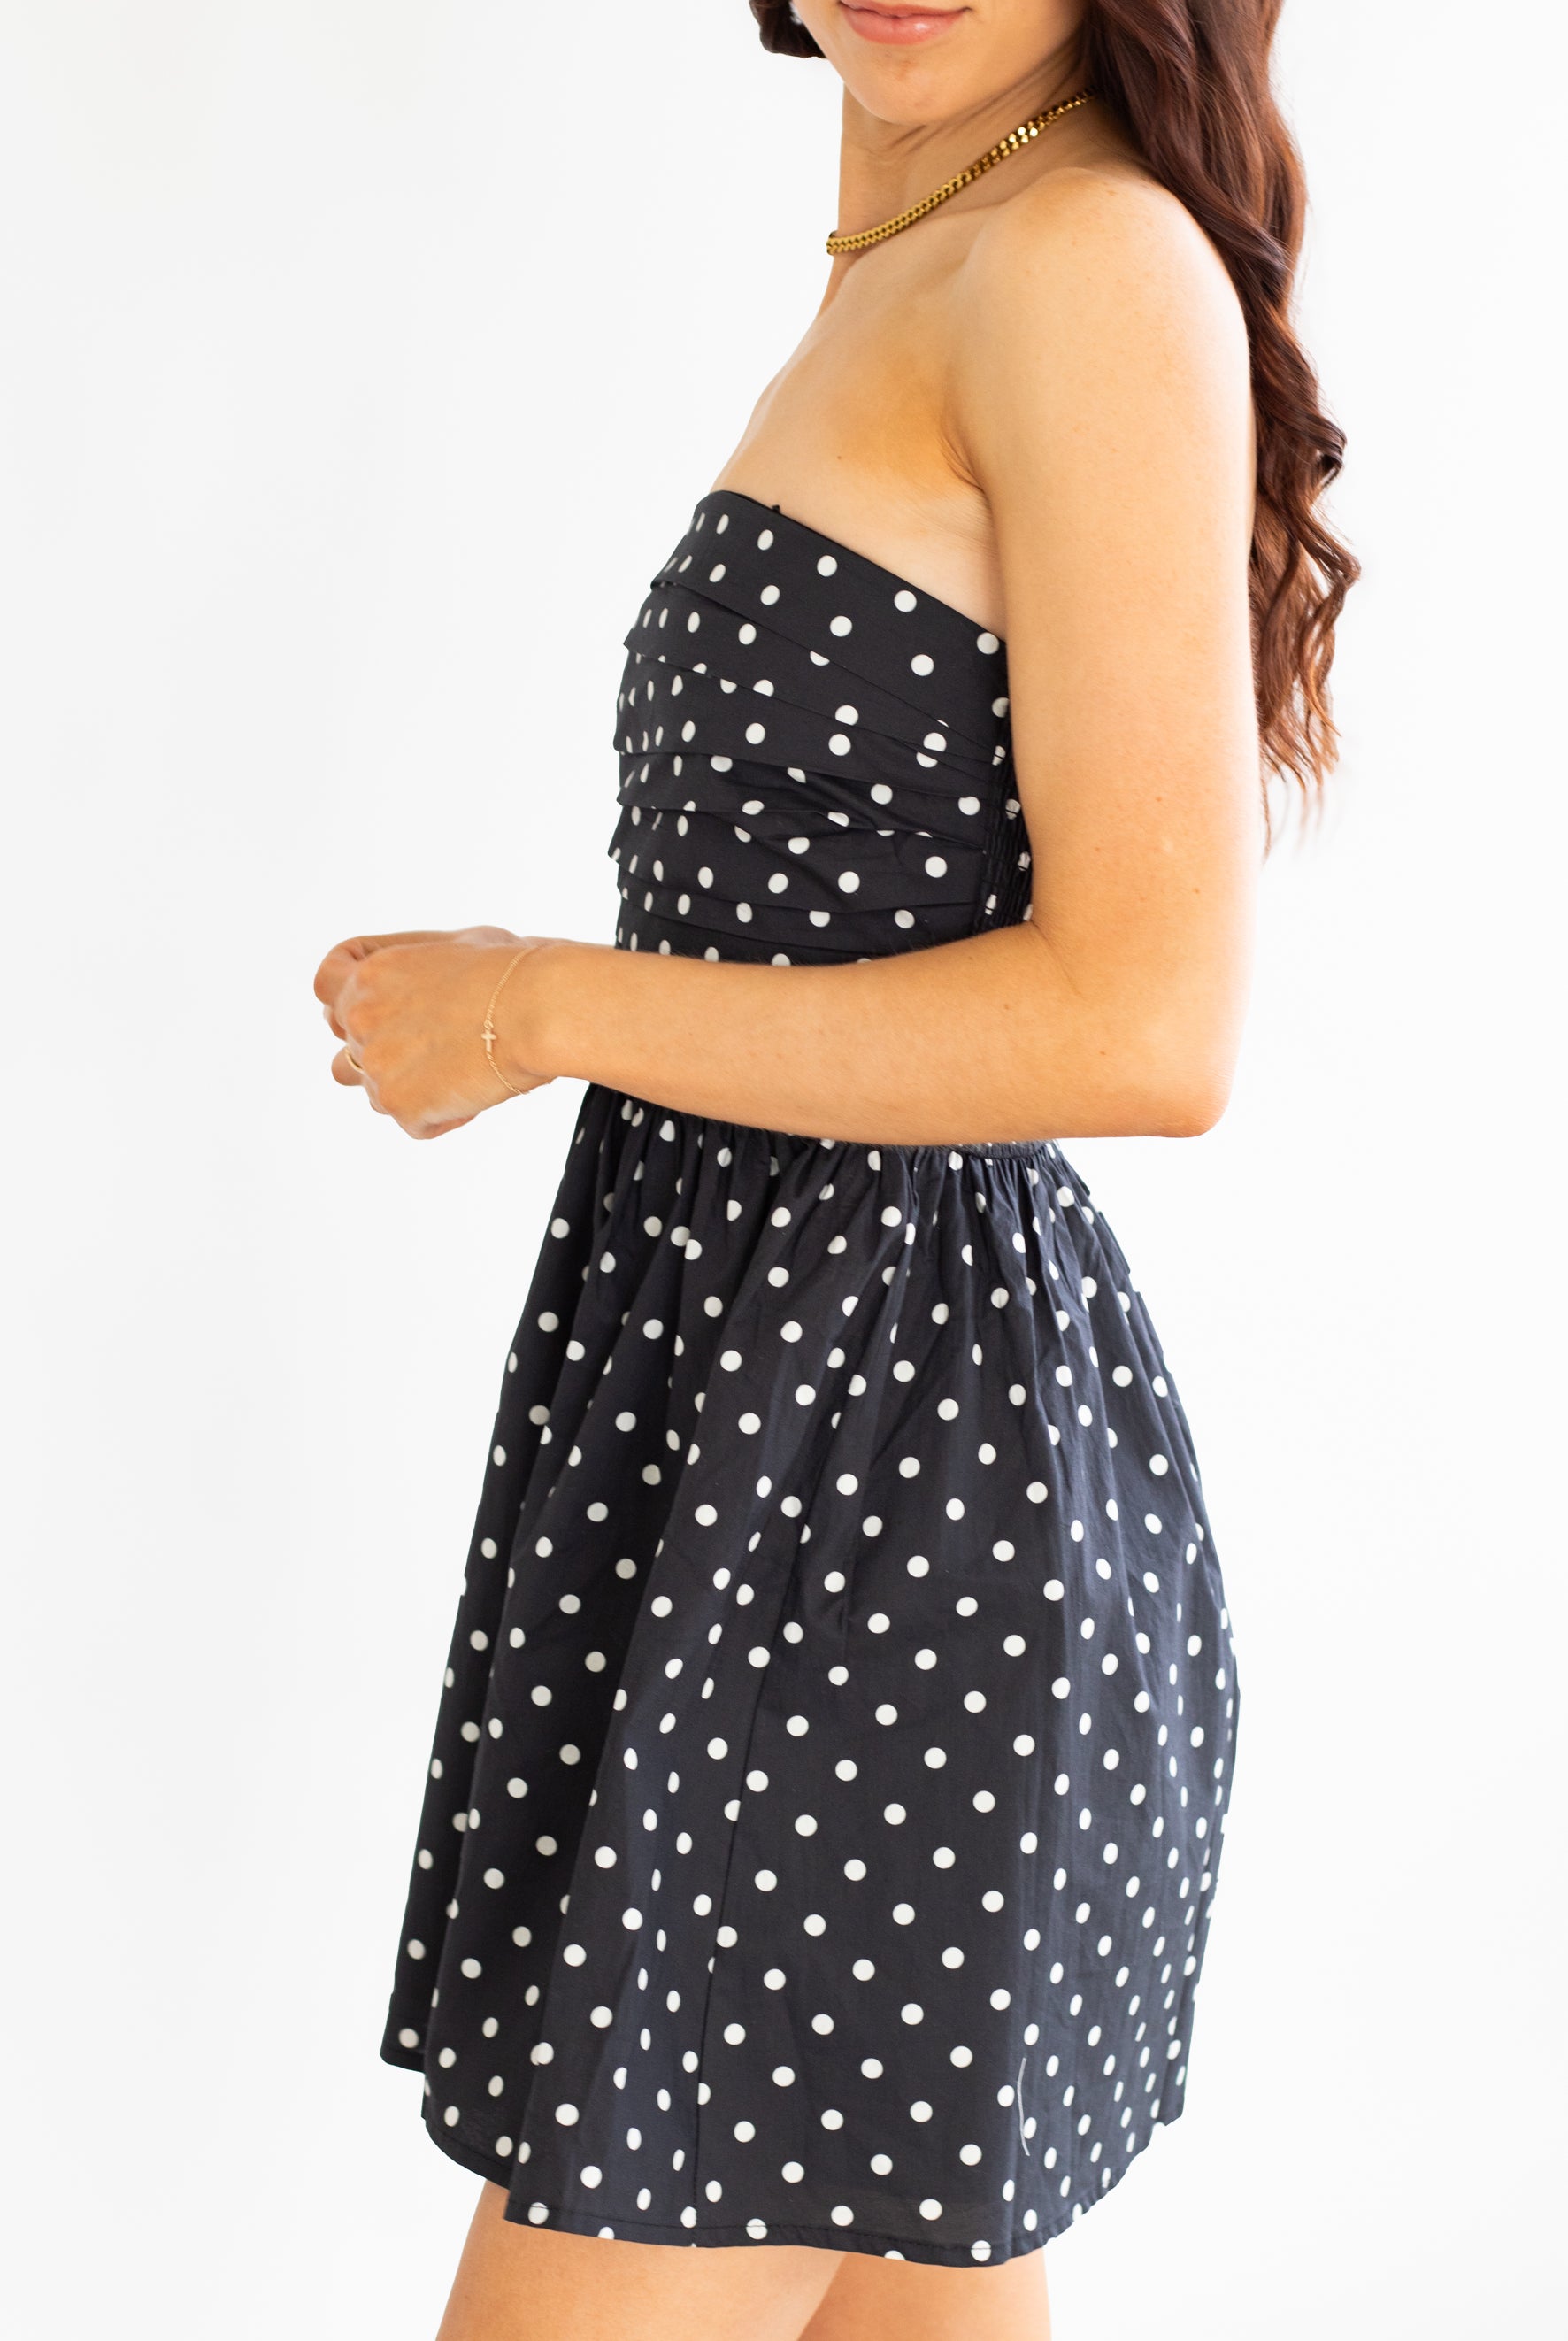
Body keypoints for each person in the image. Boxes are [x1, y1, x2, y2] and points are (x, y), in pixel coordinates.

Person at [314, 3, 1353, 2334]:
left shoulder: (1080, 261)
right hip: (761, 1468)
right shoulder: (924, 242)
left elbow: (1147, 1025)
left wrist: (539, 1005)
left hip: (884, 1529)